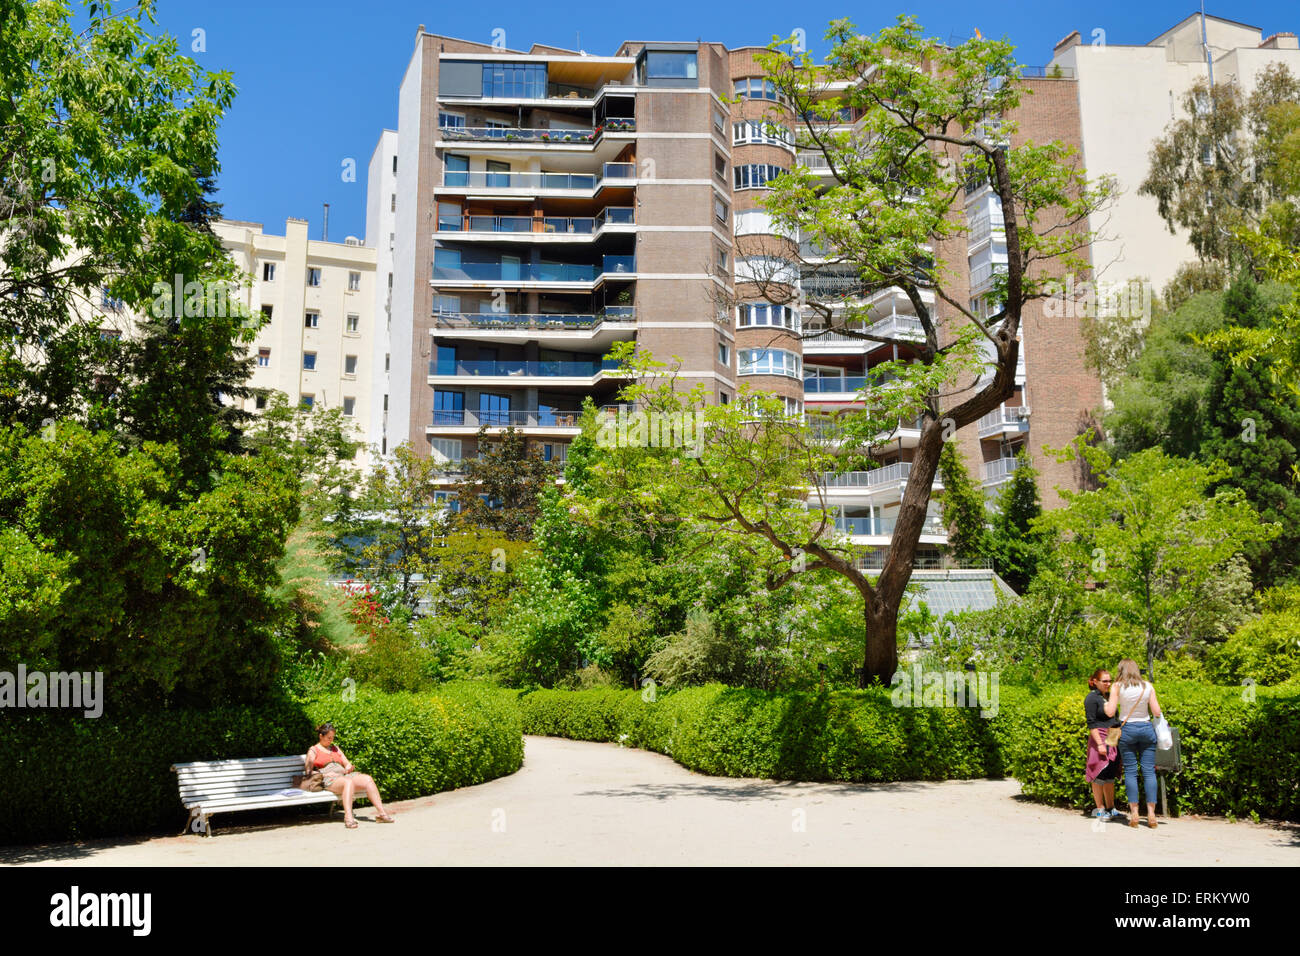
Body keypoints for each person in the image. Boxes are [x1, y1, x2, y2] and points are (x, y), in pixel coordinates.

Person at [1104, 659, 1163, 829]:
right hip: (1146, 729)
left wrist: (1107, 702)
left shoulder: (1117, 686)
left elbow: (1109, 712)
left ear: (1120, 670)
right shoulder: (1147, 686)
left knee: (1130, 771)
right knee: (1149, 772)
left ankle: (1135, 813)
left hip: (1127, 730)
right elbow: (1157, 711)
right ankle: (1151, 815)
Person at [306, 723, 396, 828]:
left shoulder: (335, 748)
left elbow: (346, 763)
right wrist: (323, 773)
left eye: (333, 738)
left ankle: (382, 814)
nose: (331, 740)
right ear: (321, 736)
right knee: (348, 782)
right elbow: (308, 771)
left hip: (343, 776)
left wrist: (348, 767)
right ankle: (348, 817)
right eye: (328, 738)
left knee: (367, 779)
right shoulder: (313, 750)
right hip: (329, 779)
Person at [1084, 669, 1123, 821]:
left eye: (1109, 681)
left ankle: (1110, 807)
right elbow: (1092, 724)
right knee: (1098, 774)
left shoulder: (1108, 697)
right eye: (1104, 681)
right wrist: (1099, 744)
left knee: (1110, 774)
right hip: (1099, 737)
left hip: (1112, 736)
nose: (1108, 684)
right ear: (1094, 681)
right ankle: (1099, 809)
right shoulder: (1091, 698)